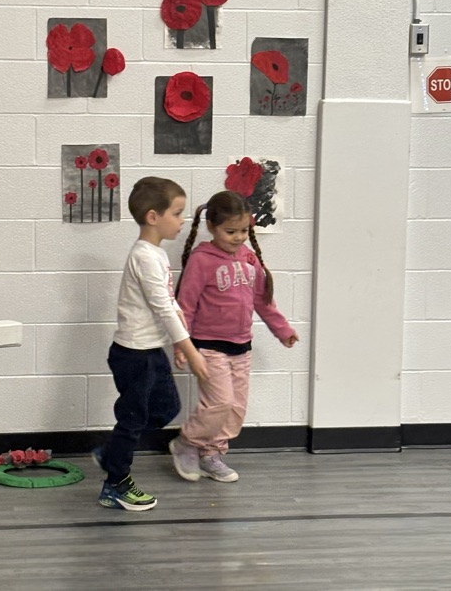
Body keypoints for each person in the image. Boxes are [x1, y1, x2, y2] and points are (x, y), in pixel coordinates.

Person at [94, 176, 209, 511]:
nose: (182, 220)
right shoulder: (144, 256)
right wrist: (190, 350)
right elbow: (162, 306)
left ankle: (113, 452)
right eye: (177, 212)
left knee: (165, 409)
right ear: (153, 217)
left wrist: (174, 344)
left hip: (150, 350)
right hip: (133, 355)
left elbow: (169, 305)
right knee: (132, 419)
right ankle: (115, 485)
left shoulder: (155, 255)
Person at [169, 190, 298, 483]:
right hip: (208, 346)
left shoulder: (249, 259)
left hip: (241, 346)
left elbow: (263, 301)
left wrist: (283, 331)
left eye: (243, 230)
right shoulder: (201, 260)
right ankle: (187, 442)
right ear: (212, 227)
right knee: (219, 402)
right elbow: (184, 306)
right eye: (230, 231)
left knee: (236, 408)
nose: (238, 237)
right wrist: (181, 345)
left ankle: (212, 454)